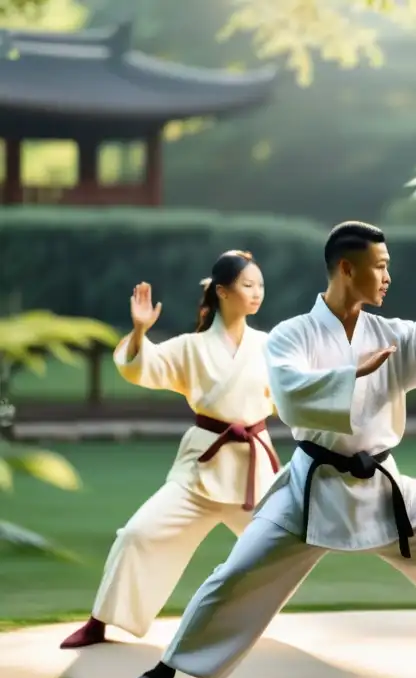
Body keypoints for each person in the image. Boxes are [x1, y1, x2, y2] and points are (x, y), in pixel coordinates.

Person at [119, 221, 416, 678]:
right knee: (237, 573)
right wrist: (351, 374)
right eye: (381, 266)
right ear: (347, 269)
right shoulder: (292, 335)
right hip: (314, 489)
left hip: (382, 488)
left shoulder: (394, 334)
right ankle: (167, 670)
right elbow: (289, 393)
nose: (389, 276)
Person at [60, 251, 280, 650]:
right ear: (222, 292)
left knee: (284, 547)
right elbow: (140, 367)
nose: (257, 293)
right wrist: (140, 332)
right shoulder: (191, 348)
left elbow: (303, 388)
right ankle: (99, 621)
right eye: (248, 285)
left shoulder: (269, 347)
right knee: (137, 534)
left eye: (260, 285)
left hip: (254, 473)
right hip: (201, 469)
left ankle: (242, 623)